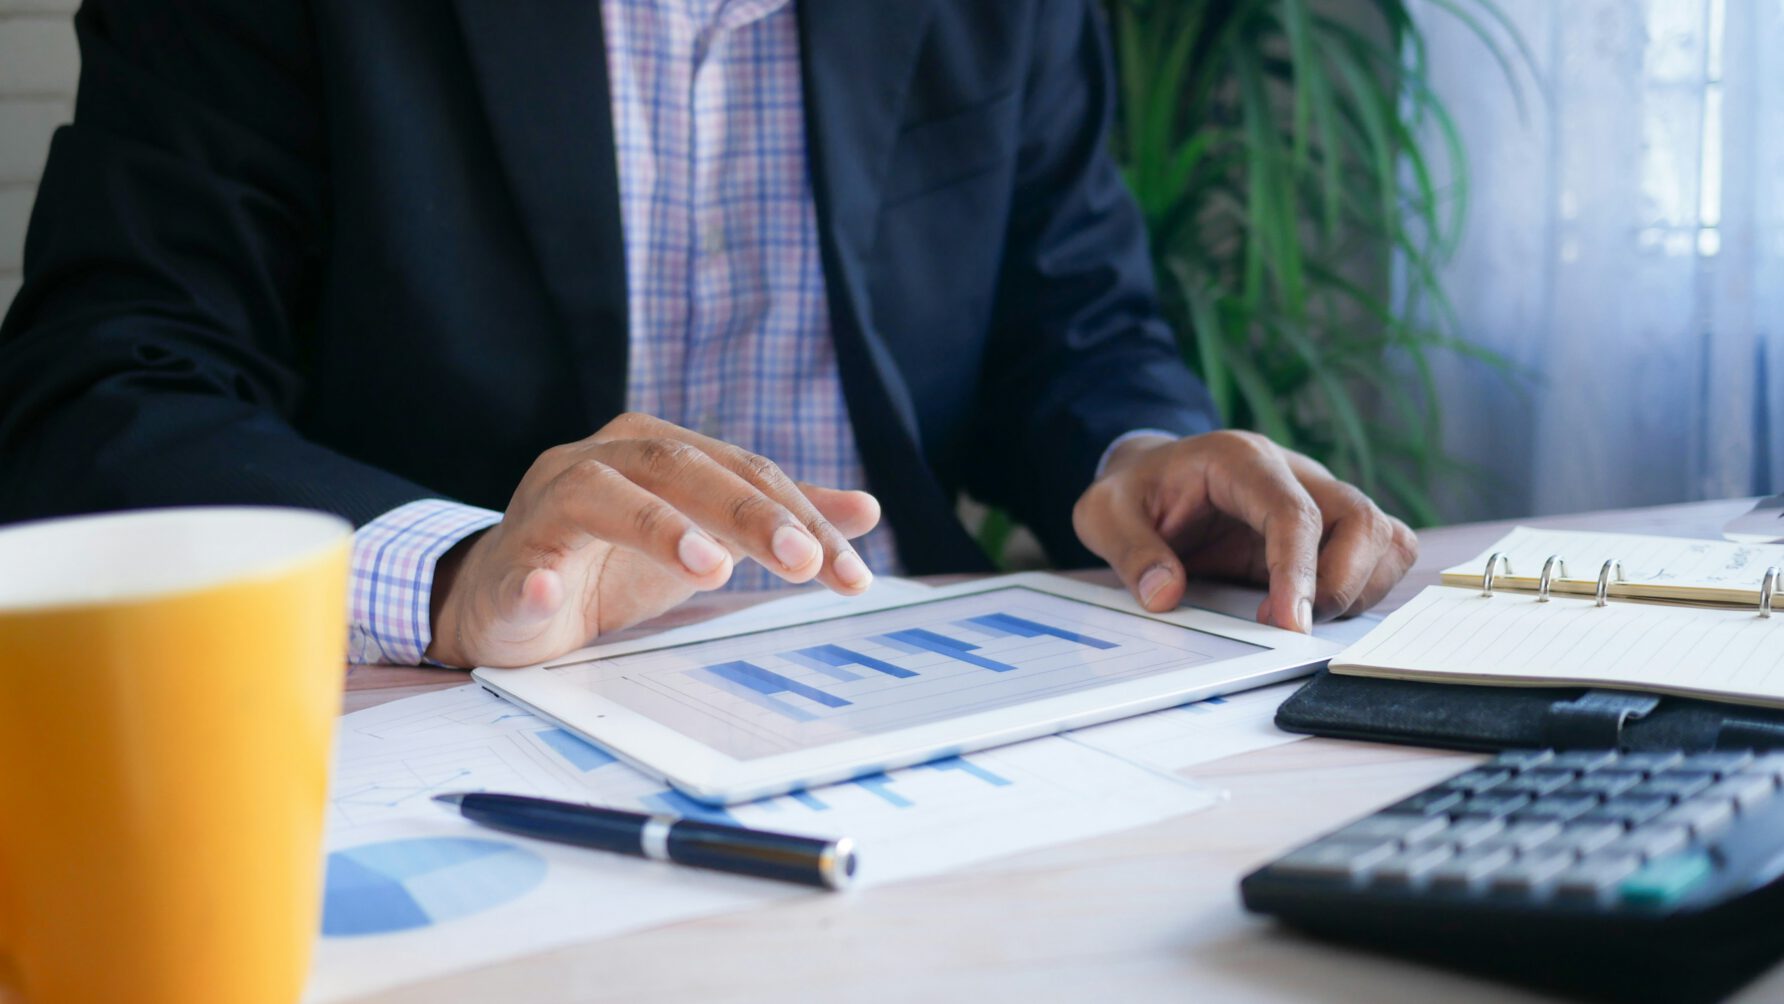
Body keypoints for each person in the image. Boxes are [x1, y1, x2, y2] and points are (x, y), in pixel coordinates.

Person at [0, 0, 1416, 669]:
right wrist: (452, 572)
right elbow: (101, 393)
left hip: (921, 694)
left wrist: (1149, 453)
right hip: (449, 719)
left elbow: (1071, 320)